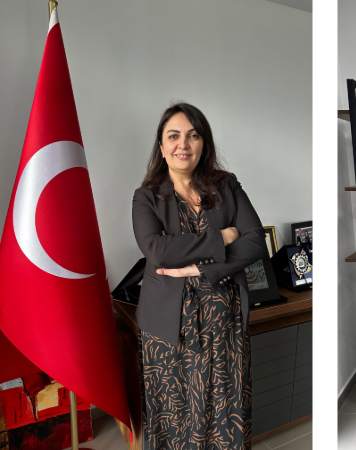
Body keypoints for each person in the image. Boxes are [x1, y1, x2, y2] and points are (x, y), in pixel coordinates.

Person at [132, 102, 267, 449]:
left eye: (193, 135)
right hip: (169, 332)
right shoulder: (146, 197)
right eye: (173, 136)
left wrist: (199, 267)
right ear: (162, 146)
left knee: (227, 412)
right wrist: (224, 236)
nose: (183, 144)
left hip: (226, 328)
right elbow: (157, 250)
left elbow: (256, 240)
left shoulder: (226, 186)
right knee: (175, 418)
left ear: (203, 144)